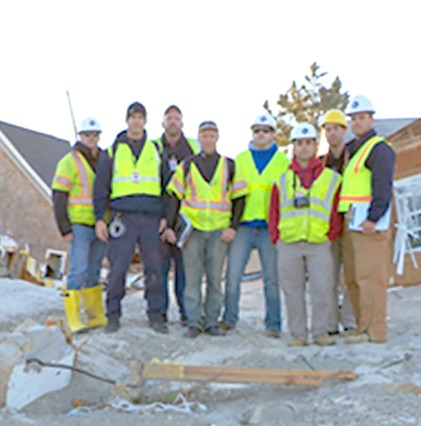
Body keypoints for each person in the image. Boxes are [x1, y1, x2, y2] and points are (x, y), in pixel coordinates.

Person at [165, 121, 248, 338]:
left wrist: (233, 227)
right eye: (204, 136)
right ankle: (194, 322)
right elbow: (174, 196)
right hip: (193, 231)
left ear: (217, 138)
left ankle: (211, 321)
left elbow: (239, 198)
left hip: (219, 231)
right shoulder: (187, 165)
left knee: (214, 279)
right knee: (191, 280)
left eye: (212, 136)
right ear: (199, 139)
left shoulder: (229, 165)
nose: (208, 140)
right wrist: (171, 226)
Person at [94, 102, 168, 334]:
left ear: (145, 121)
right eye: (132, 117)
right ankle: (113, 315)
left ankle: (156, 315)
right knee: (117, 269)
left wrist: (166, 216)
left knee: (154, 269)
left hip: (151, 218)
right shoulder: (113, 151)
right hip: (122, 218)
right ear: (127, 120)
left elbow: (168, 187)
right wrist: (99, 219)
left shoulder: (156, 150)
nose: (136, 121)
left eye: (140, 117)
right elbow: (100, 188)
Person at [269, 122, 342, 346]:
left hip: (318, 243)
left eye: (308, 143)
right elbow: (273, 211)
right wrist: (276, 237)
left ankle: (320, 332)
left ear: (315, 145)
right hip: (289, 243)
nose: (304, 147)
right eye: (299, 143)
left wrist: (330, 235)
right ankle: (298, 334)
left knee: (322, 289)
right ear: (293, 146)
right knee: (293, 292)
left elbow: (336, 211)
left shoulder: (331, 178)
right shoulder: (281, 180)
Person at [220, 113, 290, 338]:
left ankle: (273, 324)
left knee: (272, 278)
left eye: (266, 130)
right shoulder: (240, 160)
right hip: (244, 225)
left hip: (270, 227)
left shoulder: (283, 162)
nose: (261, 135)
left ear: (273, 134)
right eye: (257, 130)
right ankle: (229, 319)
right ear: (252, 134)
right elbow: (231, 195)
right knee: (233, 275)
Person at [339, 96, 396, 344]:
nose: (357, 122)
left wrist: (374, 217)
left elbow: (383, 186)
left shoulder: (379, 148)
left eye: (361, 118)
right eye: (353, 119)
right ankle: (361, 326)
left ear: (371, 119)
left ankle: (375, 330)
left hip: (369, 224)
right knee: (353, 277)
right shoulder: (353, 148)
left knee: (371, 278)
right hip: (352, 221)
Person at [52, 117, 106, 332]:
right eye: (87, 135)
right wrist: (64, 228)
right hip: (79, 225)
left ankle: (94, 316)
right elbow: (59, 196)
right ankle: (73, 319)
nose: (91, 139)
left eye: (94, 135)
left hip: (100, 225)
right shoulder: (69, 161)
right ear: (80, 136)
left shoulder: (104, 160)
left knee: (94, 271)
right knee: (78, 271)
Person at [155, 105, 199, 325]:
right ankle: (160, 312)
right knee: (160, 268)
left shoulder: (192, 148)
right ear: (163, 123)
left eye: (177, 118)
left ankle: (185, 312)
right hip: (159, 218)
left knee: (185, 270)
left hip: (185, 219)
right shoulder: (153, 148)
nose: (173, 122)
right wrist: (161, 218)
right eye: (169, 118)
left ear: (182, 123)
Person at [320, 110, 356, 335]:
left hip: (352, 223)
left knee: (352, 274)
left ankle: (349, 320)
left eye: (336, 128)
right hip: (328, 227)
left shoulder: (355, 157)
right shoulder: (320, 164)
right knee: (328, 277)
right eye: (328, 129)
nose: (332, 133)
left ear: (344, 130)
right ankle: (331, 323)